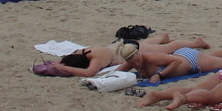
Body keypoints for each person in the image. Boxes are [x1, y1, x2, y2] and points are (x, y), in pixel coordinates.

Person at [45, 38, 213, 78]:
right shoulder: (82, 51)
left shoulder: (95, 61)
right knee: (155, 44)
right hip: (121, 45)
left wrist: (62, 67)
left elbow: (89, 73)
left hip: (129, 51)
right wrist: (59, 62)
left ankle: (195, 42)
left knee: (168, 49)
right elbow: (68, 58)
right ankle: (162, 37)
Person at [117, 44, 222, 83]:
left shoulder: (150, 58)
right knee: (210, 57)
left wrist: (159, 74)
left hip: (190, 61)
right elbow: (116, 72)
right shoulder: (133, 63)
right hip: (186, 56)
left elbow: (175, 61)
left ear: (138, 53)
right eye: (133, 62)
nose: (137, 63)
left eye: (137, 58)